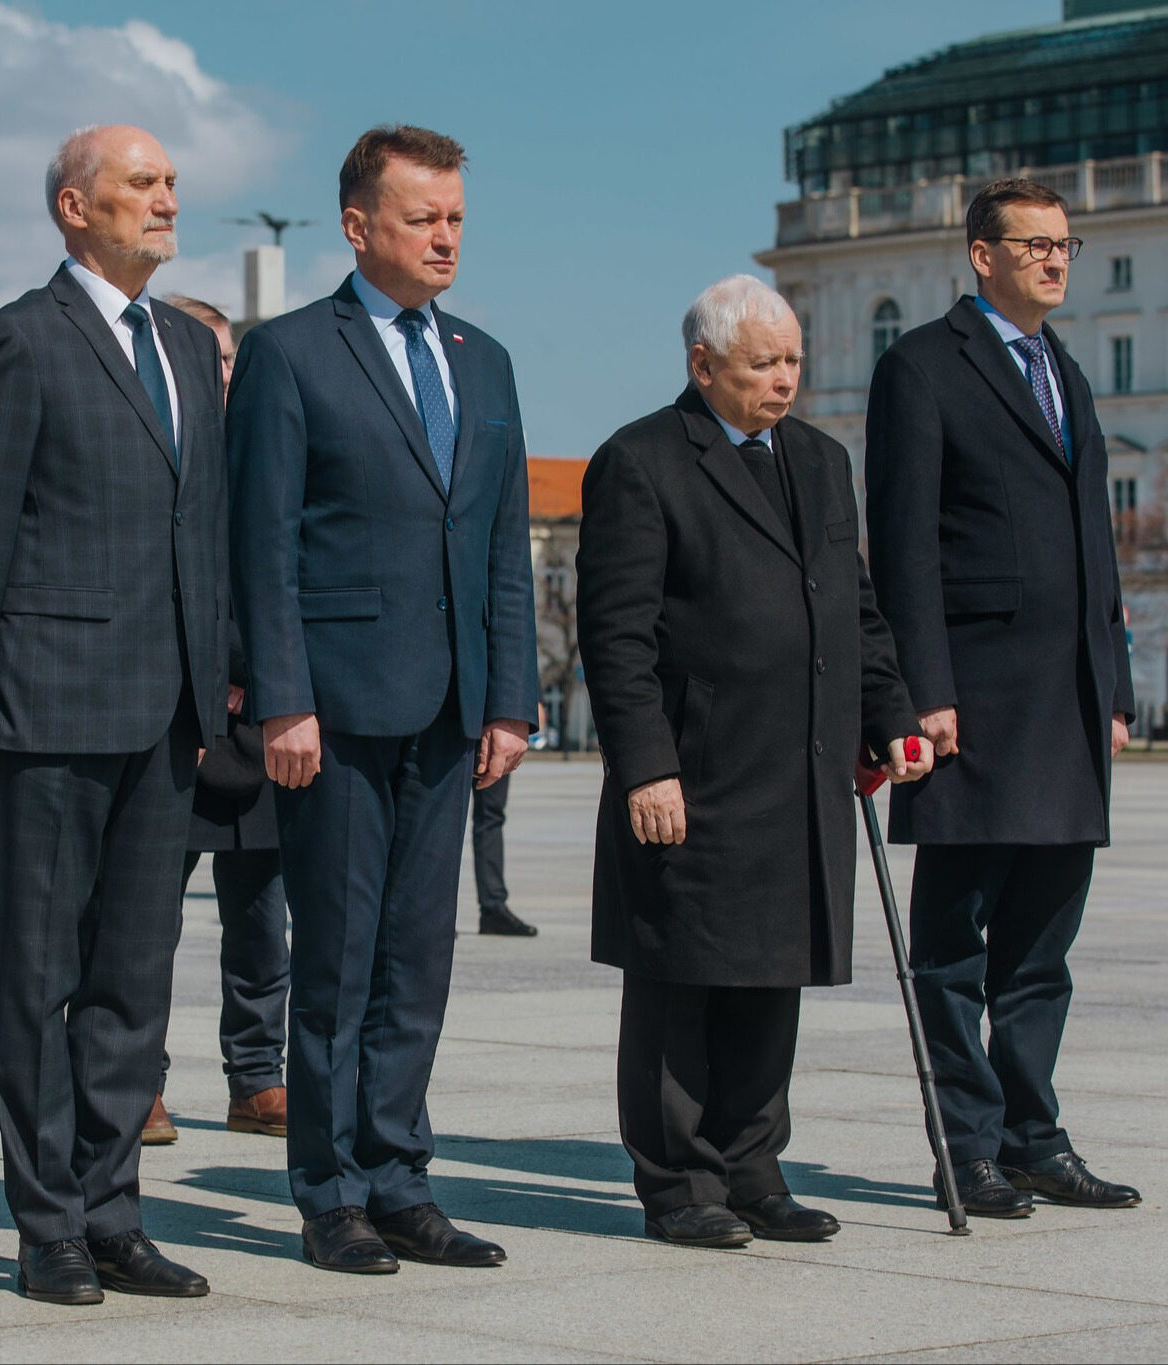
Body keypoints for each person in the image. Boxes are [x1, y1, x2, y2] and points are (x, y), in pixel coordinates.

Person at [0, 125, 227, 1306]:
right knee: (41, 976)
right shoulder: (19, 340)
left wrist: (230, 673)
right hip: (52, 703)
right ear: (72, 207)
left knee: (134, 981)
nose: (166, 200)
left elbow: (204, 526)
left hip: (170, 710)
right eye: (141, 185)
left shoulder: (193, 350)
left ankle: (113, 1213)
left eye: (168, 184)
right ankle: (45, 1221)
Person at [227, 125, 538, 1275]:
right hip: (337, 710)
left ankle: (402, 1178)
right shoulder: (292, 354)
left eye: (456, 217)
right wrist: (282, 698)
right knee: (341, 957)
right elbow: (260, 540)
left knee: (420, 957)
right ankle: (331, 1192)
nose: (446, 236)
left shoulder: (486, 360)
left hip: (454, 709)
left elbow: (504, 545)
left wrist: (513, 697)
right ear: (359, 227)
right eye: (423, 218)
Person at [576, 275, 931, 1249]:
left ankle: (753, 1167)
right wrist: (646, 764)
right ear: (702, 366)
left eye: (793, 363)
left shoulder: (818, 461)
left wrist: (889, 715)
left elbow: (852, 608)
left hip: (799, 763)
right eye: (763, 365)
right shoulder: (641, 461)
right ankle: (679, 1185)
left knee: (771, 975)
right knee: (680, 979)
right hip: (697, 770)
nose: (785, 382)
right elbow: (615, 637)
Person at [865, 178, 1140, 1217]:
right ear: (980, 254)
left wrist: (1110, 687)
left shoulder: (1065, 369)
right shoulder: (921, 366)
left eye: (1064, 242)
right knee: (951, 945)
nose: (1055, 260)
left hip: (1065, 701)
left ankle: (1034, 1137)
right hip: (970, 700)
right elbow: (902, 544)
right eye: (1034, 245)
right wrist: (918, 691)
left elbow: (1095, 552)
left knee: (1041, 946)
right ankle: (965, 1145)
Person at [145, 294, 289, 1148]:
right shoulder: (164, 442)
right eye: (213, 356)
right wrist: (207, 674)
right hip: (180, 715)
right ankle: (139, 1082)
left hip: (262, 716)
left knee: (263, 912)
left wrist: (260, 679)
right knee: (146, 913)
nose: (227, 371)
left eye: (232, 357)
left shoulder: (265, 442)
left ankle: (257, 1076)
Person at [469, 700, 545, 937]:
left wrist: (532, 698)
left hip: (495, 714)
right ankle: (431, 908)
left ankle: (493, 908)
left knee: (491, 815)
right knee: (439, 816)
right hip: (449, 711)